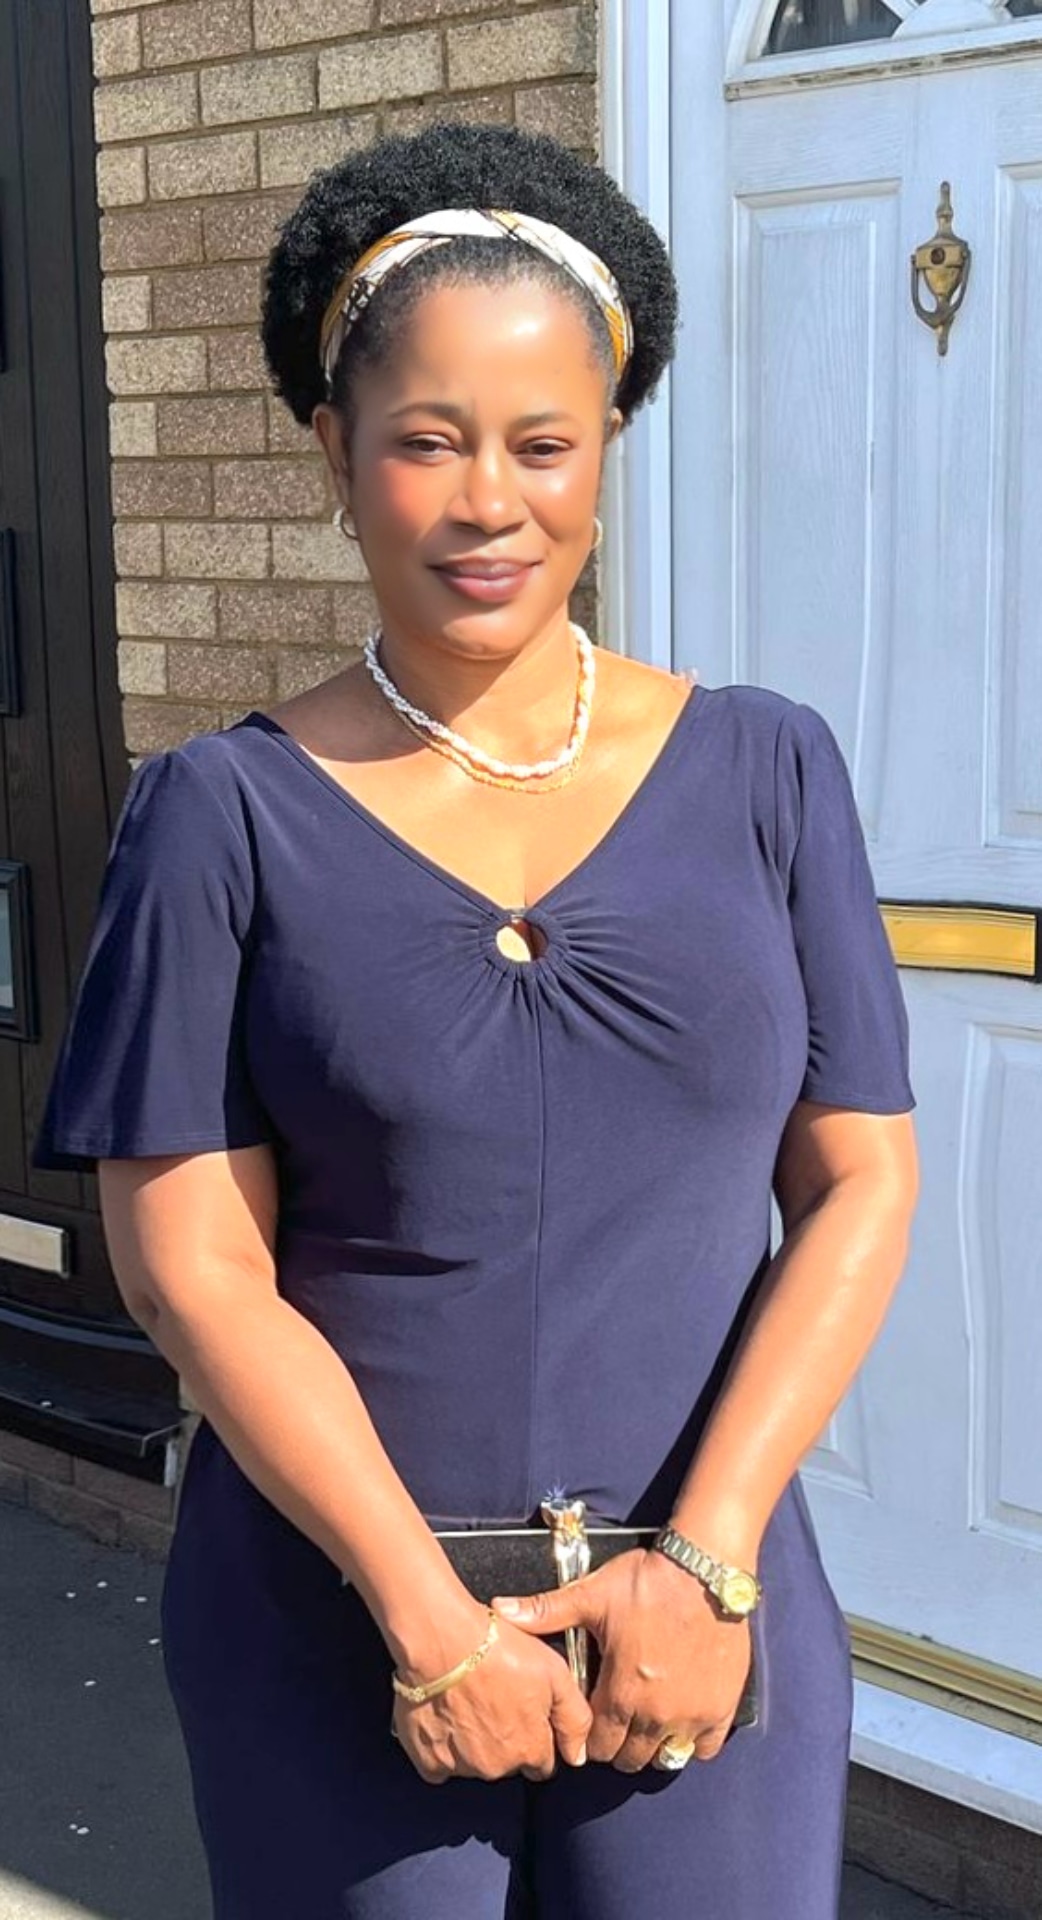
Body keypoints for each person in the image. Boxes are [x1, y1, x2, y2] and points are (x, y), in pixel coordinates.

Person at [33, 121, 918, 1918]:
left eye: (541, 442)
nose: (486, 501)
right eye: (425, 441)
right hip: (339, 1623)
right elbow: (192, 1267)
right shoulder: (220, 813)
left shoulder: (766, 770)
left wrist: (708, 1562)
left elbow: (856, 1183)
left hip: (701, 1620)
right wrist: (428, 1616)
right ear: (333, 453)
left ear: (605, 448)